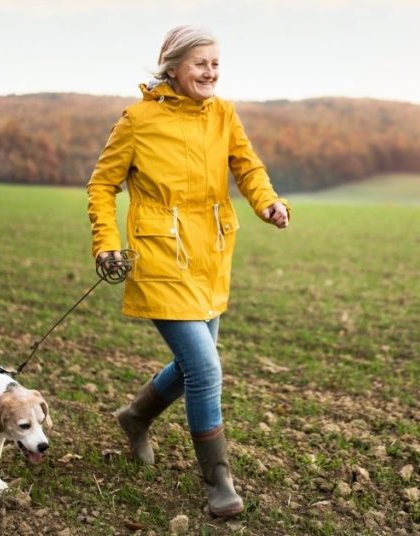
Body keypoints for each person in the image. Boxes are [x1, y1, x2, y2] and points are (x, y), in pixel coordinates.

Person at [85, 25, 290, 518]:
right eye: (201, 63)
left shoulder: (224, 114)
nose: (211, 72)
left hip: (210, 255)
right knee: (204, 368)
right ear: (173, 67)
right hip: (159, 257)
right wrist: (106, 242)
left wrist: (267, 202)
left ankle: (135, 418)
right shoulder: (137, 120)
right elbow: (101, 185)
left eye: (216, 64)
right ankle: (218, 481)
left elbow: (248, 167)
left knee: (192, 365)